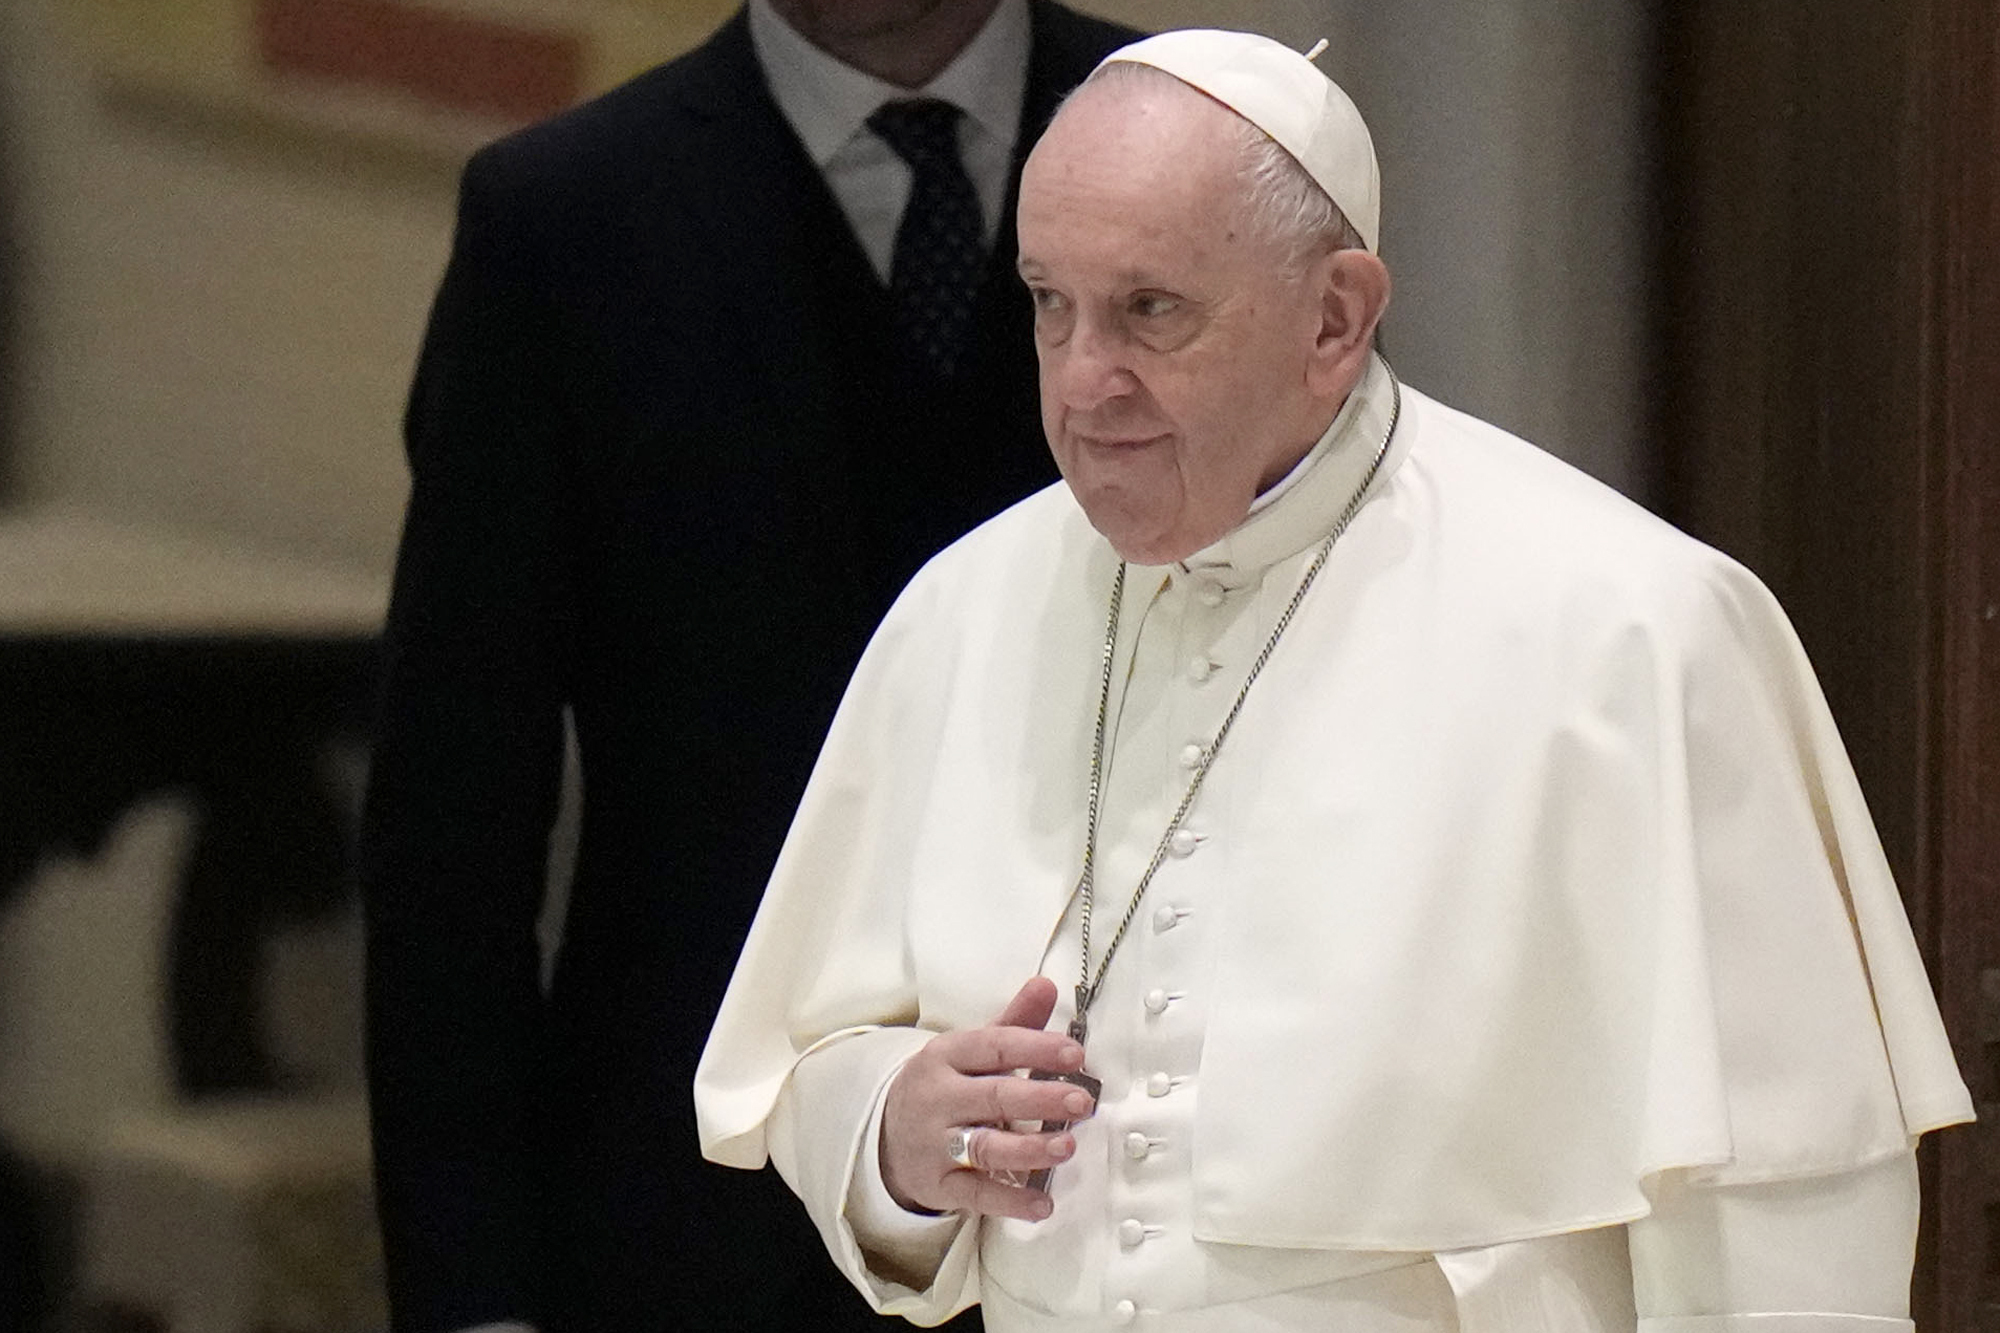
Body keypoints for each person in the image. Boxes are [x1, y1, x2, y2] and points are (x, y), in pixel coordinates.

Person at [695, 29, 1974, 1331]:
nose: (1085, 382)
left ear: (1334, 316)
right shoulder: (965, 608)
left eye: (1152, 310)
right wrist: (895, 1136)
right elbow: (815, 1059)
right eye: (1048, 303)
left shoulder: (1631, 630)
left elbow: (1784, 1224)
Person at [359, 2, 1137, 1330]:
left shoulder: (1189, 143)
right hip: (688, 1209)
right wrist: (473, 1295)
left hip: (1114, 1179)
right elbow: (455, 821)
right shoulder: (566, 218)